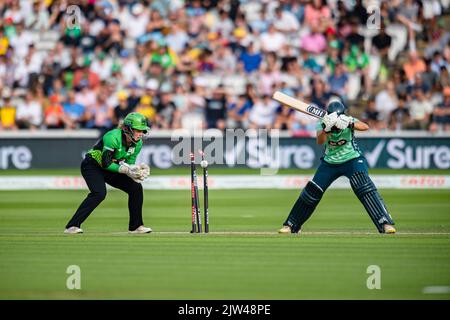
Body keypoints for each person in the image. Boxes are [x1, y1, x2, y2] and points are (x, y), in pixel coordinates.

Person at [279, 100, 396, 235]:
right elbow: (319, 141)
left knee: (364, 186)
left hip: (352, 159)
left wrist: (349, 123)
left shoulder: (348, 119)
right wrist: (325, 129)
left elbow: (365, 127)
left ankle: (385, 223)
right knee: (312, 191)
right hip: (329, 162)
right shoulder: (322, 122)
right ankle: (291, 225)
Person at [64, 112, 152, 234]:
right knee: (99, 193)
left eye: (142, 131)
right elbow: (106, 163)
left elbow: (128, 163)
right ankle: (72, 226)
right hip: (92, 165)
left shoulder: (138, 143)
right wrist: (127, 170)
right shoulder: (113, 137)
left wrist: (134, 172)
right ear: (127, 128)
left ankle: (136, 226)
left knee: (136, 188)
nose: (140, 134)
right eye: (138, 130)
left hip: (111, 167)